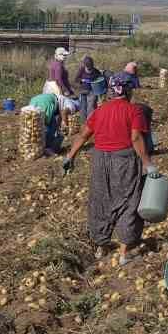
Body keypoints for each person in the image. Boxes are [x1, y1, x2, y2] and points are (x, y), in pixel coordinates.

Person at [62, 72, 153, 267]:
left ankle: (100, 246)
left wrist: (70, 156)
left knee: (101, 199)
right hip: (124, 160)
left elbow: (83, 135)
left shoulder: (100, 110)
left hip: (100, 160)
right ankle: (124, 253)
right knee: (129, 200)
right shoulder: (134, 111)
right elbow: (136, 138)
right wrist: (147, 163)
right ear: (127, 90)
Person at [75, 54, 103, 121]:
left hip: (92, 91)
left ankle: (90, 122)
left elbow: (101, 79)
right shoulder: (81, 70)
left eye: (90, 67)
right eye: (87, 67)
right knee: (82, 107)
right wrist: (82, 80)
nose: (89, 69)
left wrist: (96, 82)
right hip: (83, 91)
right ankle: (83, 122)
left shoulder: (96, 71)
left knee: (91, 107)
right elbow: (76, 79)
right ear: (85, 65)